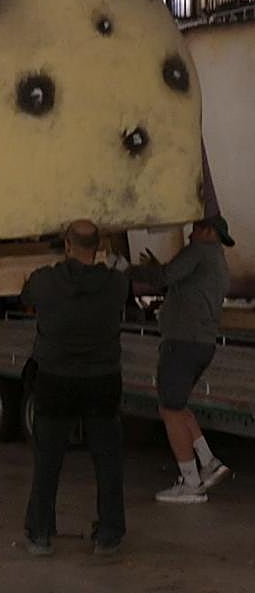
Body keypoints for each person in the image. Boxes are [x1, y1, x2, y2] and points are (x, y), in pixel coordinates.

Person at [22, 220, 128, 557]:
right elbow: (124, 273)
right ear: (97, 248)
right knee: (107, 460)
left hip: (56, 379)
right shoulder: (116, 285)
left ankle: (40, 534)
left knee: (48, 460)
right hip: (102, 381)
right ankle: (109, 534)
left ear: (67, 245)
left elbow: (25, 295)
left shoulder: (45, 281)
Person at [129, 216, 233, 504]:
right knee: (180, 405)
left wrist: (127, 270)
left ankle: (190, 483)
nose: (190, 234)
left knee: (169, 409)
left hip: (182, 343)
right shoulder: (217, 262)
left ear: (210, 231)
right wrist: (157, 269)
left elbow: (165, 276)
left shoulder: (199, 251)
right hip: (201, 344)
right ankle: (208, 461)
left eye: (196, 228)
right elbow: (177, 281)